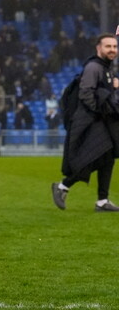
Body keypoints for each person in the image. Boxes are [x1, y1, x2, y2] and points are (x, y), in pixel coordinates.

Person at [52, 33, 119, 212]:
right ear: (99, 48)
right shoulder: (93, 67)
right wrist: (100, 111)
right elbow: (86, 93)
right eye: (108, 46)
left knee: (108, 157)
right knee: (92, 157)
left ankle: (102, 201)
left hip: (101, 119)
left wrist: (112, 85)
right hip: (92, 120)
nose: (112, 50)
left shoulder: (106, 68)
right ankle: (62, 187)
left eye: (114, 46)